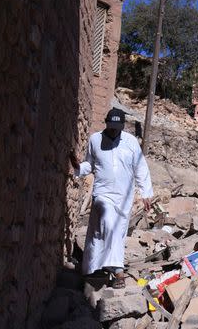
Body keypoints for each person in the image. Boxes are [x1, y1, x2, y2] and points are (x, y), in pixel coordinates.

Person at [72, 108, 154, 288]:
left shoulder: (131, 142)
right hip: (102, 193)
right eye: (111, 126)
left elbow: (141, 168)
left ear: (123, 126)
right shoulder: (95, 139)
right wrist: (78, 167)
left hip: (124, 197)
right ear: (106, 123)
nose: (113, 130)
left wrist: (146, 192)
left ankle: (95, 269)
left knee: (110, 232)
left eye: (117, 127)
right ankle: (118, 271)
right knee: (110, 225)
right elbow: (89, 164)